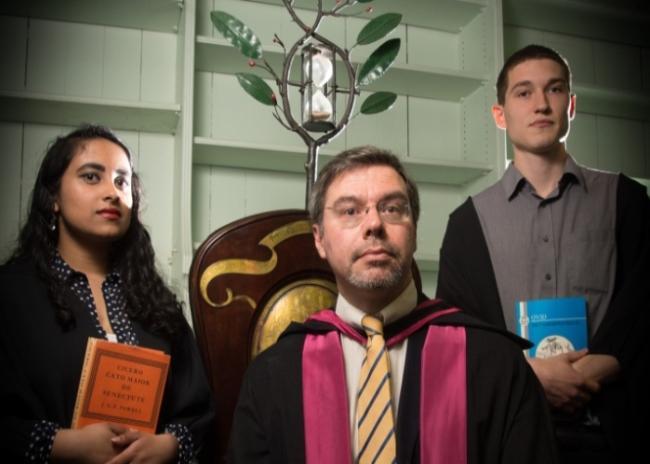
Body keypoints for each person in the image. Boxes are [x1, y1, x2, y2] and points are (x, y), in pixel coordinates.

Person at [228, 146, 558, 463]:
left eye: (392, 208)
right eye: (350, 211)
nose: (373, 224)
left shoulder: (495, 364)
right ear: (319, 239)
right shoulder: (272, 376)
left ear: (413, 230)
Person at [436, 44, 650, 463]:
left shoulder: (627, 201)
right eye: (523, 92)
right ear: (500, 115)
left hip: (618, 434)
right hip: (514, 437)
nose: (540, 104)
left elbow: (645, 306)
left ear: (571, 105)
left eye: (553, 90)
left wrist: (596, 369)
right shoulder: (467, 224)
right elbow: (457, 338)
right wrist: (531, 374)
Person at [0, 125, 215, 463]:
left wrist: (168, 446)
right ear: (53, 197)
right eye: (91, 177)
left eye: (122, 181)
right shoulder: (11, 294)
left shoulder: (157, 303)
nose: (112, 192)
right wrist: (62, 445)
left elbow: (199, 412)